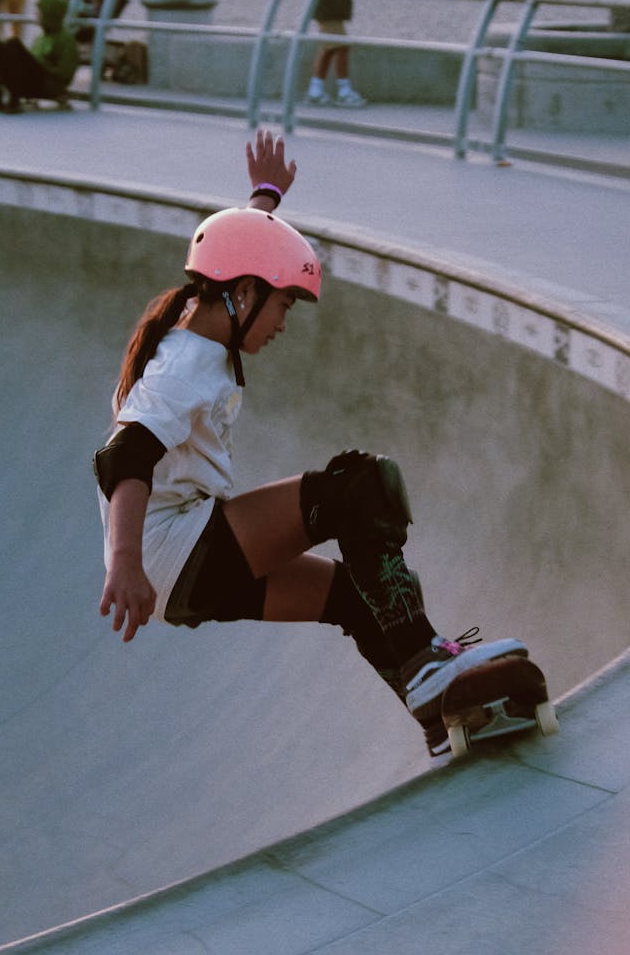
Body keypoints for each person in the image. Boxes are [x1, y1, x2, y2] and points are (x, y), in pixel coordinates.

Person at [93, 129, 528, 764]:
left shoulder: (203, 314)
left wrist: (264, 199)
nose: (283, 325)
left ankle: (448, 712)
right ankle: (430, 661)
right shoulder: (185, 364)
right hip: (172, 552)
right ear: (243, 294)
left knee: (354, 599)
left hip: (179, 567)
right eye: (283, 307)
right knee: (356, 489)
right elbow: (123, 458)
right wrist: (124, 561)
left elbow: (235, 254)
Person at [0, 0, 79, 111]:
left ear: (50, 14)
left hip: (47, 85)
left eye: (40, 13)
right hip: (34, 79)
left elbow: (64, 74)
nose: (36, 15)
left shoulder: (66, 40)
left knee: (14, 44)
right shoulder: (41, 38)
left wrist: (39, 64)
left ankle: (14, 100)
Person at [305, 0, 365, 108]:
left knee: (329, 46)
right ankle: (343, 91)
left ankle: (315, 90)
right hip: (327, 1)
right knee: (340, 45)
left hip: (328, 1)